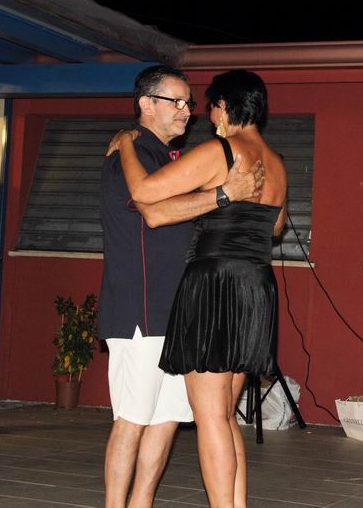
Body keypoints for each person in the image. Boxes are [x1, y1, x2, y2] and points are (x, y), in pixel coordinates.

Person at [111, 69, 286, 508]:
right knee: (225, 415)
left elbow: (145, 191)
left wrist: (127, 143)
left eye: (209, 107)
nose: (205, 116)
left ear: (224, 107)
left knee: (210, 419)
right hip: (256, 286)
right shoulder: (277, 163)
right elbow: (275, 227)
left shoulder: (220, 151)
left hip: (216, 285)